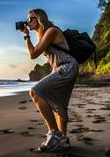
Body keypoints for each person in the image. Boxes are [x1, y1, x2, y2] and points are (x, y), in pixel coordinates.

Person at [20, 8, 79, 152]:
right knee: (60, 105)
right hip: (62, 67)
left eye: (30, 19)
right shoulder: (43, 35)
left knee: (35, 91)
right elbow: (34, 53)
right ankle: (63, 141)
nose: (28, 22)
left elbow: (33, 54)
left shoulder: (51, 31)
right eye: (27, 20)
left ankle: (55, 134)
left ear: (40, 18)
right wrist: (28, 35)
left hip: (66, 67)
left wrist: (26, 36)